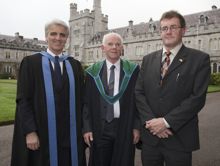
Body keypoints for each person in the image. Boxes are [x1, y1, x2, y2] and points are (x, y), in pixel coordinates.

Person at [135, 10, 211, 166]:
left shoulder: (200, 59)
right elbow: (139, 93)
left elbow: (197, 98)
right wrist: (152, 123)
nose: (168, 32)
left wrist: (166, 122)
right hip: (151, 139)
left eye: (173, 27)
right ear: (160, 32)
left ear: (183, 30)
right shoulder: (148, 59)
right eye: (164, 28)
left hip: (179, 138)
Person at [11, 19, 86, 166]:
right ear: (46, 36)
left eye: (62, 35)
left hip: (68, 133)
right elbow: (23, 100)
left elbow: (82, 101)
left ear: (67, 38)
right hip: (41, 132)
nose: (58, 38)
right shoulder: (31, 63)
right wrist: (30, 131)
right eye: (53, 34)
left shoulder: (74, 65)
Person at [82, 32, 140, 166]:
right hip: (99, 127)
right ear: (103, 48)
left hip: (124, 126)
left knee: (123, 161)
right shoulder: (92, 72)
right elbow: (86, 103)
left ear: (122, 48)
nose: (114, 47)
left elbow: (139, 101)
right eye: (110, 44)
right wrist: (87, 129)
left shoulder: (133, 70)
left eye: (118, 44)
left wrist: (136, 127)